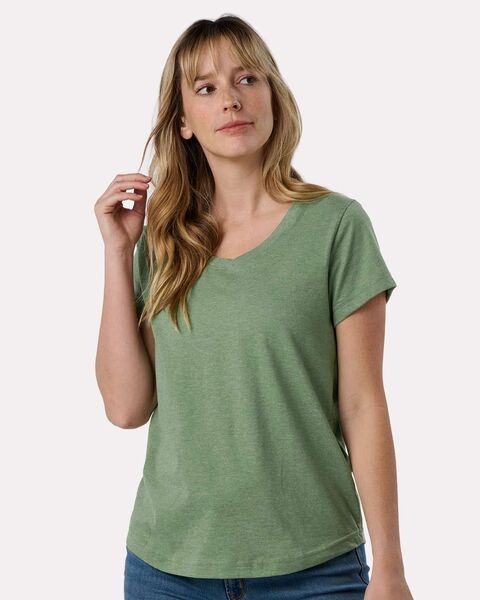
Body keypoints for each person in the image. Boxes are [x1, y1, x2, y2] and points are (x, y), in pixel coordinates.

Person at [94, 14, 414, 600]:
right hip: (168, 571)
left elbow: (363, 404)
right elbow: (126, 407)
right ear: (183, 121)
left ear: (272, 94)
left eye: (247, 78)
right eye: (206, 87)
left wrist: (390, 568)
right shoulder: (164, 240)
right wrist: (119, 253)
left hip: (315, 570)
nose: (231, 99)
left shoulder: (336, 226)